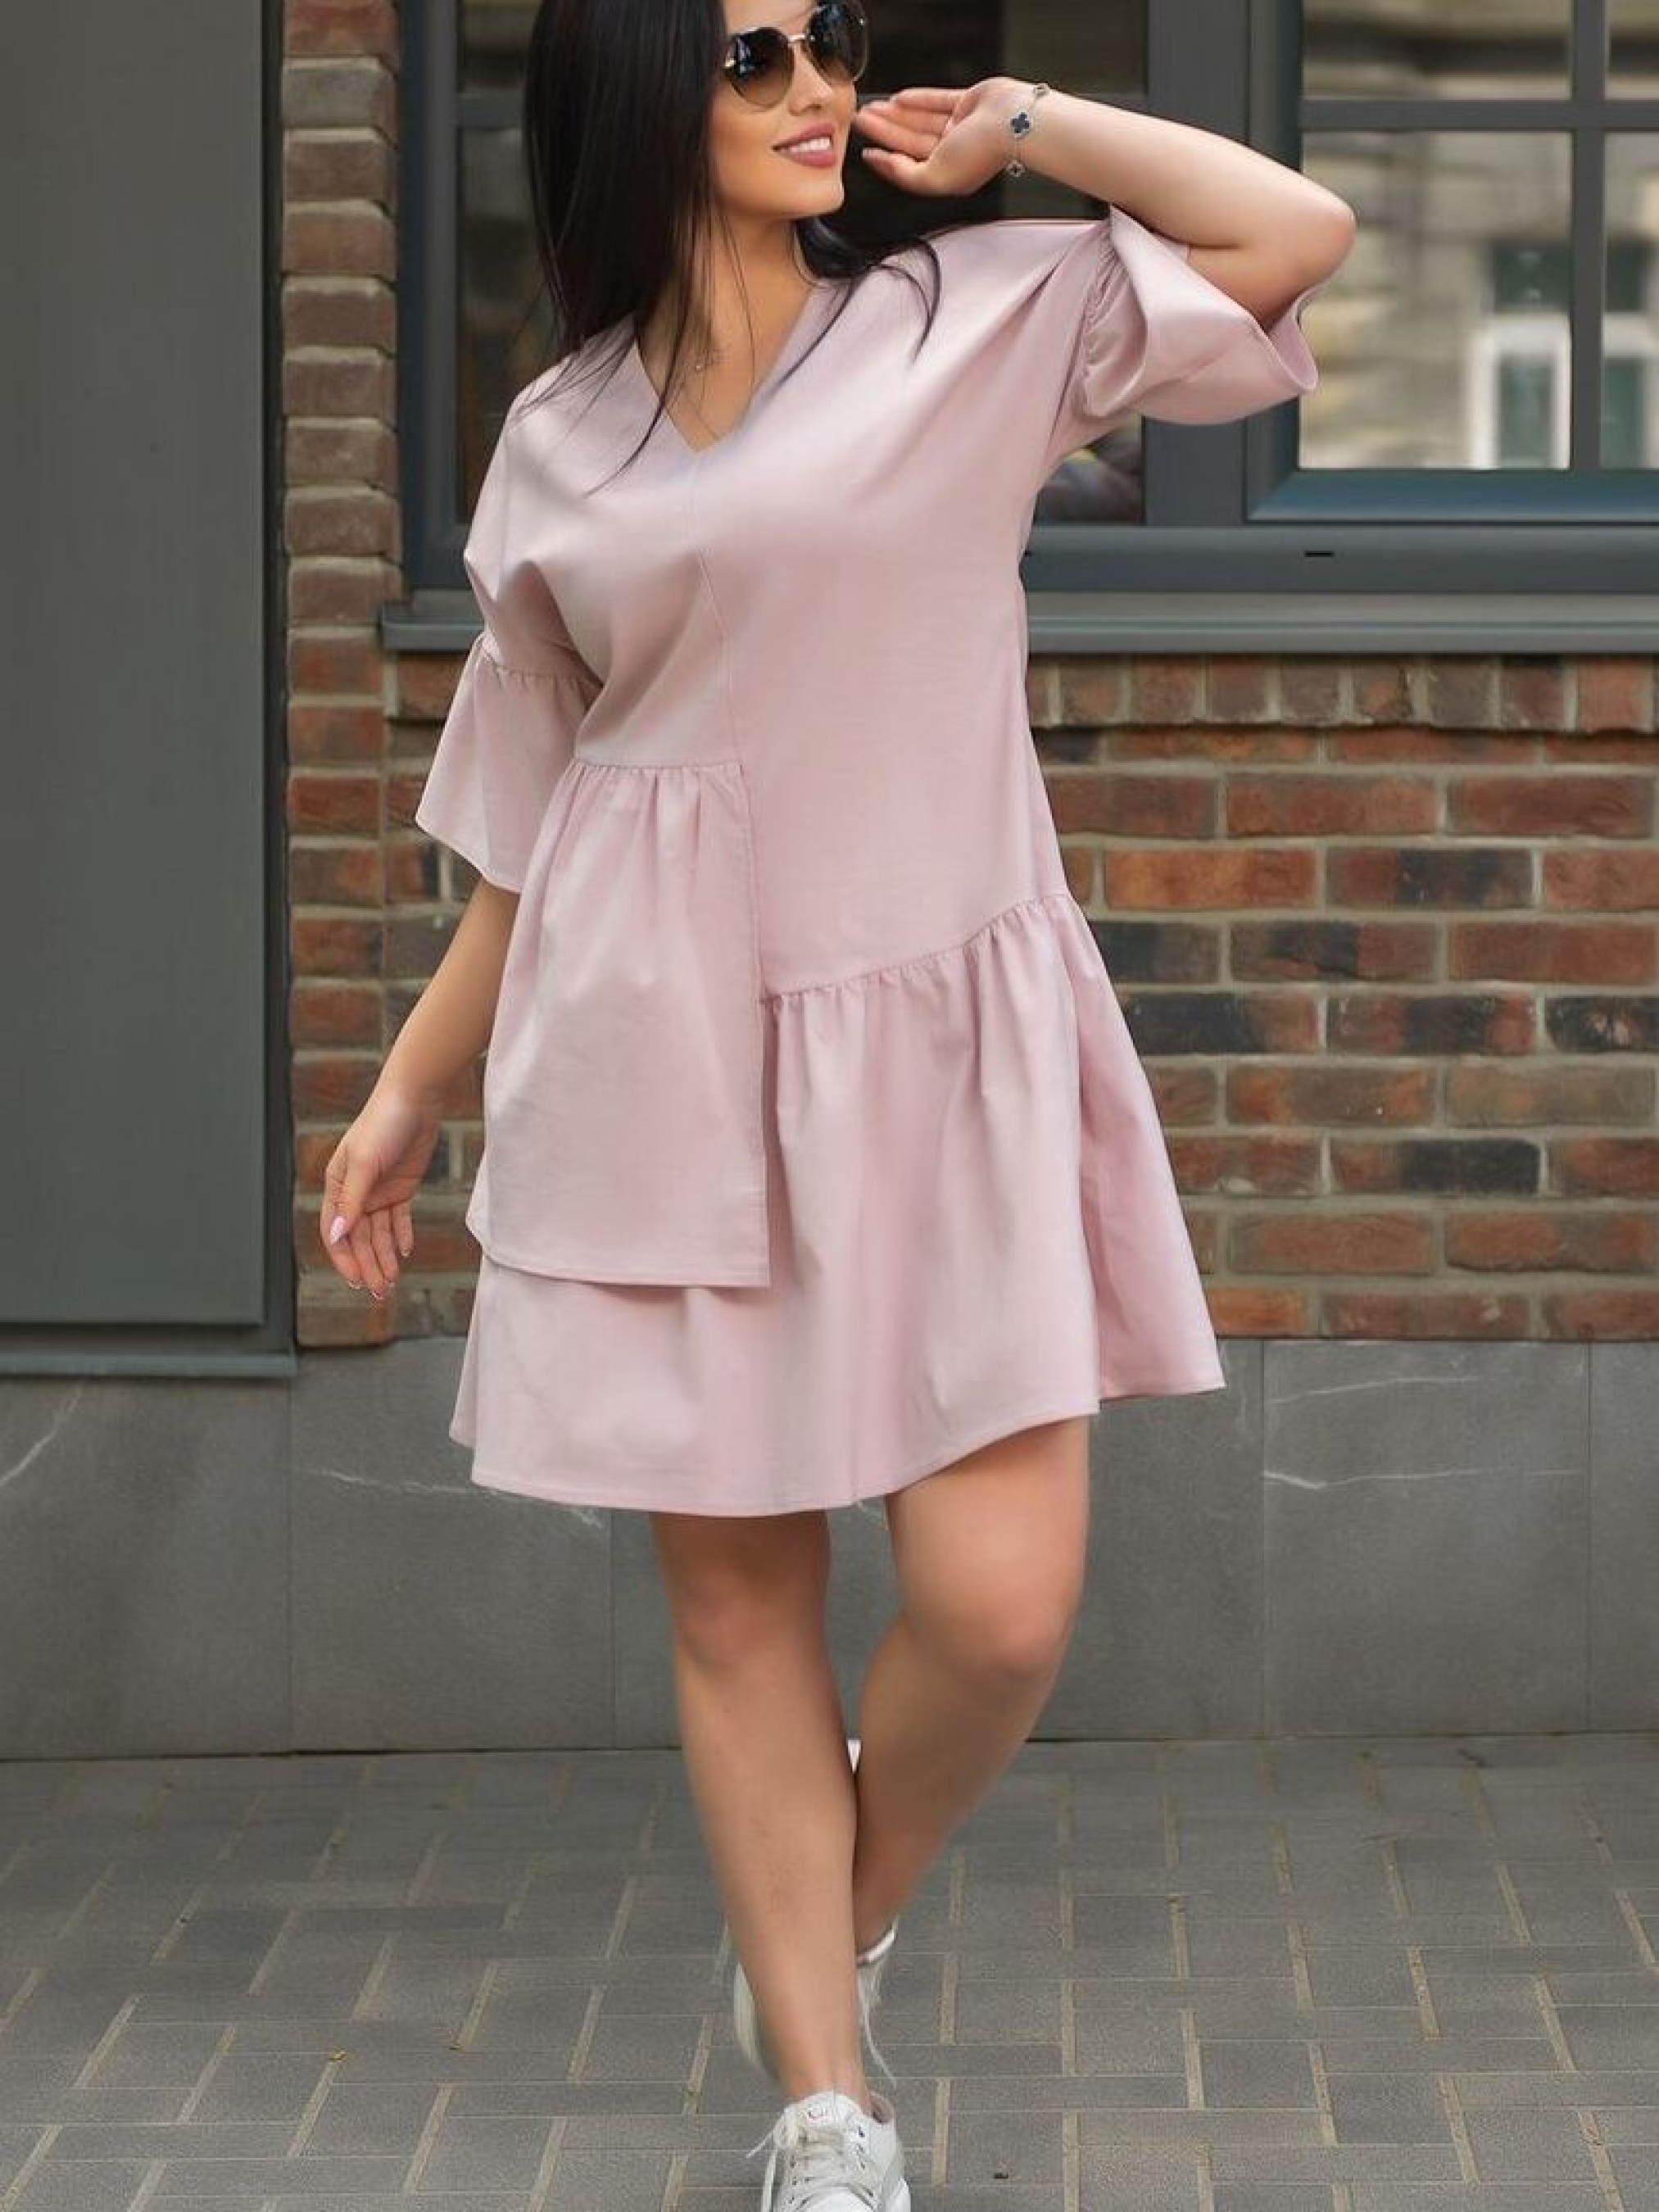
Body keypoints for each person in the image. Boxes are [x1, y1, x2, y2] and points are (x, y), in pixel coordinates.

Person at [320, 4, 1354, 2203]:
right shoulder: (555, 438)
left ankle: (827, 1912)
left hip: (938, 1030)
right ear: (636, 95)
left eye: (830, 40)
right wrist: (409, 1087)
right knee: (735, 1608)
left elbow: (1293, 233)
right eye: (750, 53)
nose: (811, 85)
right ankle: (827, 2102)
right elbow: (527, 816)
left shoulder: (962, 320)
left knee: (999, 1605)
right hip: (653, 1053)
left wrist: (1027, 127)